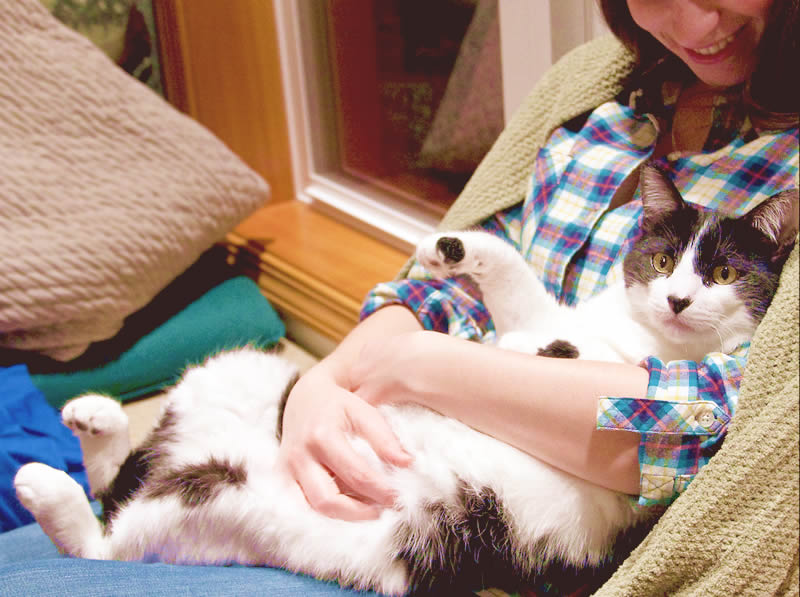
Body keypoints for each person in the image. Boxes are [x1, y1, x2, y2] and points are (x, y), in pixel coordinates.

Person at [1, 1, 797, 595]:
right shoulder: (593, 96)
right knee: (229, 381)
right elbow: (439, 279)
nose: (694, 21)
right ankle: (115, 491)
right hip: (420, 423)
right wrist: (331, 379)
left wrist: (413, 364)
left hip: (483, 520)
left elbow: (694, 431)